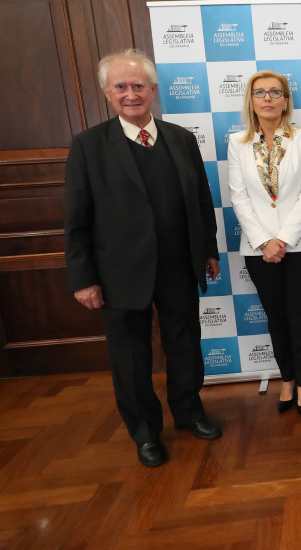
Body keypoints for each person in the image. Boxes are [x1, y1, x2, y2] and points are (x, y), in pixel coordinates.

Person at [64, 49, 222, 468]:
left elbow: (201, 202)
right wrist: (83, 279)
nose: (131, 94)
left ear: (153, 90)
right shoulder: (88, 146)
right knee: (131, 360)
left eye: (138, 86)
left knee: (185, 346)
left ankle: (189, 414)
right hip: (119, 276)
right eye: (121, 86)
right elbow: (76, 220)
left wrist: (207, 249)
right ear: (107, 93)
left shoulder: (181, 139)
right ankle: (145, 433)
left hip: (178, 268)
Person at [227, 71, 301, 419]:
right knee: (276, 318)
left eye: (274, 92)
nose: (267, 98)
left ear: (285, 101)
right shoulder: (237, 143)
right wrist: (265, 241)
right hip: (257, 248)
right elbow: (239, 198)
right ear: (250, 101)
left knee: (298, 317)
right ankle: (285, 378)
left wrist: (283, 239)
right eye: (259, 93)